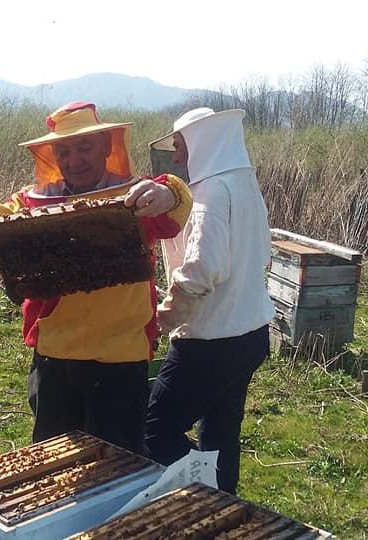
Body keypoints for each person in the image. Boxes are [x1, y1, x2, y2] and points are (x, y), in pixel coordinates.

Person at [0, 101, 192, 454]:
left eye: (84, 147)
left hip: (120, 358)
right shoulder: (35, 202)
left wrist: (169, 191)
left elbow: (174, 209)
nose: (74, 159)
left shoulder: (137, 196)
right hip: (55, 358)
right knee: (52, 463)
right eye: (63, 150)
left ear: (108, 146)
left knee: (117, 466)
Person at [144, 107, 274, 494]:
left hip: (210, 342)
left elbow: (202, 270)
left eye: (182, 147)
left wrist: (162, 318)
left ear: (204, 145)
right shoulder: (244, 184)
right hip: (251, 334)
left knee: (156, 428)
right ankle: (225, 504)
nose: (178, 156)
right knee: (221, 432)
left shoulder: (211, 193)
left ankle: (198, 493)